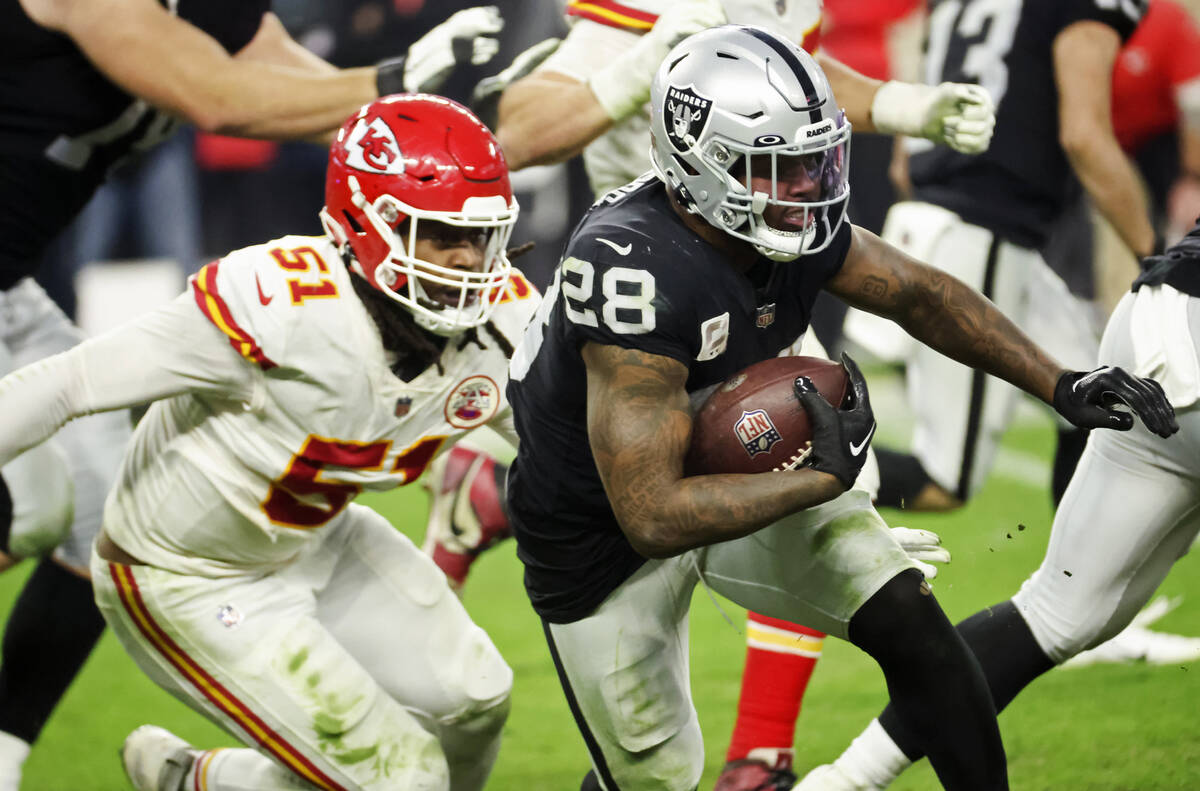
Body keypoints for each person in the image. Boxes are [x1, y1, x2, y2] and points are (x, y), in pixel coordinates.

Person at [502, 24, 1176, 791]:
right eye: (782, 168)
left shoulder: (780, 223)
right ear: (706, 165)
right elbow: (651, 515)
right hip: (600, 538)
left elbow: (922, 294)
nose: (809, 187)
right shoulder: (632, 270)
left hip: (732, 467)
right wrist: (815, 481)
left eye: (815, 159)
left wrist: (1061, 382)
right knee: (656, 778)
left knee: (910, 619)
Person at [0, 2, 504, 786]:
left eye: (479, 238)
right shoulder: (272, 297)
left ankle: (172, 777)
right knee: (405, 778)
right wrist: (399, 77)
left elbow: (327, 100)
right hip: (186, 574)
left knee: (476, 701)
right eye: (444, 235)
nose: (468, 258)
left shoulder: (499, 308)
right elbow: (222, 98)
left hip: (309, 534)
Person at [794, 222, 1200, 790]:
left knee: (1054, 613)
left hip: (1155, 320)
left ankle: (841, 780)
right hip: (1177, 326)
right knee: (946, 479)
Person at [840, 0, 1157, 513]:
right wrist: (1154, 253)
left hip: (948, 214)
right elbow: (1084, 134)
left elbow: (906, 151)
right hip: (983, 231)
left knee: (1093, 404)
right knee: (943, 482)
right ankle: (788, 468)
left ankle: (1079, 586)